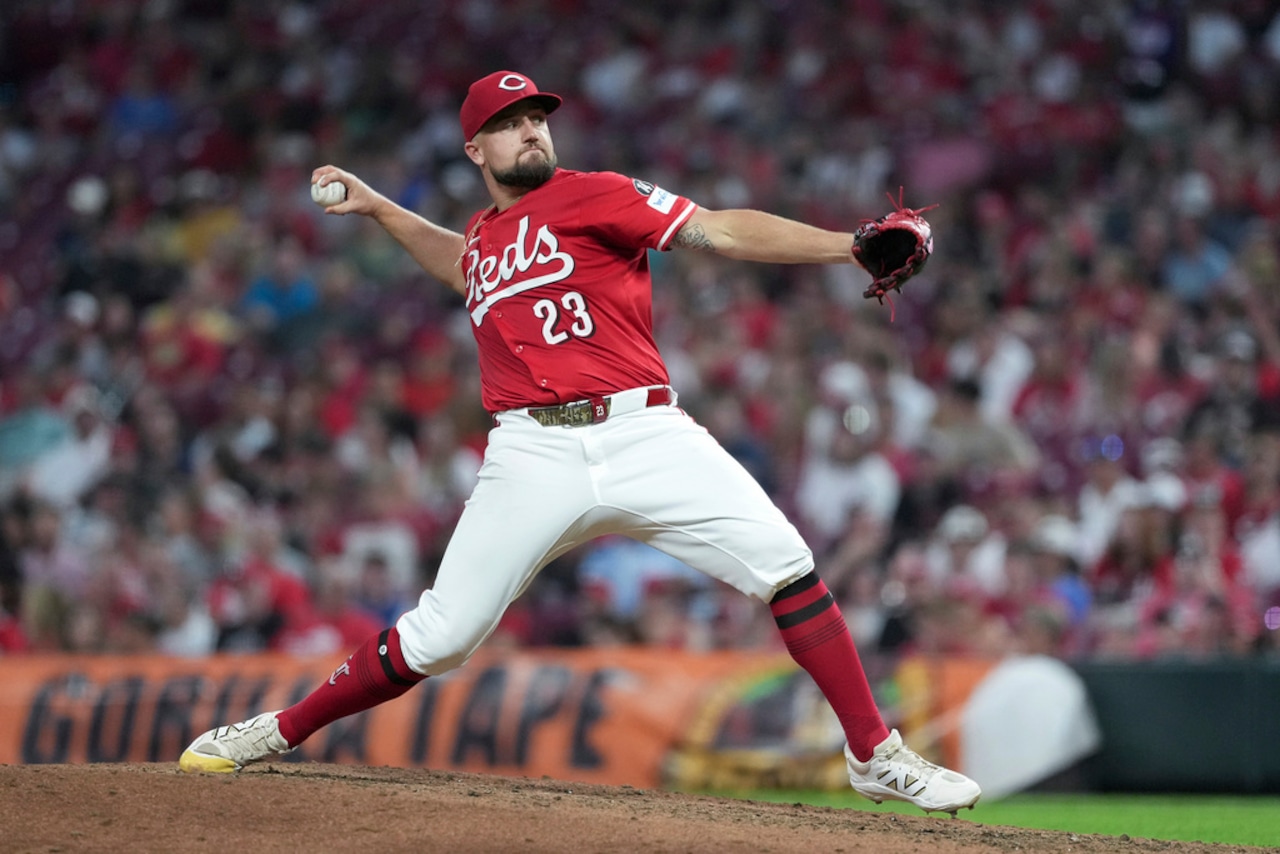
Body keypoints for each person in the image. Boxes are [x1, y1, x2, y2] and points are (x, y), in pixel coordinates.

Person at [178, 70, 981, 816]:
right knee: (441, 635)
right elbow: (467, 268)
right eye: (508, 123)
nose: (530, 131)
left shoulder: (594, 194)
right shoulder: (487, 239)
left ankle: (874, 752)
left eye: (536, 118)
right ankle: (277, 731)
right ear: (475, 150)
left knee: (787, 564)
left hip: (644, 429)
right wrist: (383, 208)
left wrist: (845, 244)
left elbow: (718, 231)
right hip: (531, 453)